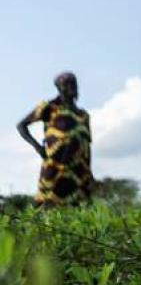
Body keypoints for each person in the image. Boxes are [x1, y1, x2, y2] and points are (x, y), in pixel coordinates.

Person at [17, 72, 94, 207]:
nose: (71, 87)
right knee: (46, 204)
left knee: (79, 207)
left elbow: (87, 145)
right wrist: (37, 147)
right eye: (66, 84)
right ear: (59, 88)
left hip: (79, 171)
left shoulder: (83, 115)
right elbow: (22, 125)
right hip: (55, 166)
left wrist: (89, 171)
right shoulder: (49, 107)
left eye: (73, 84)